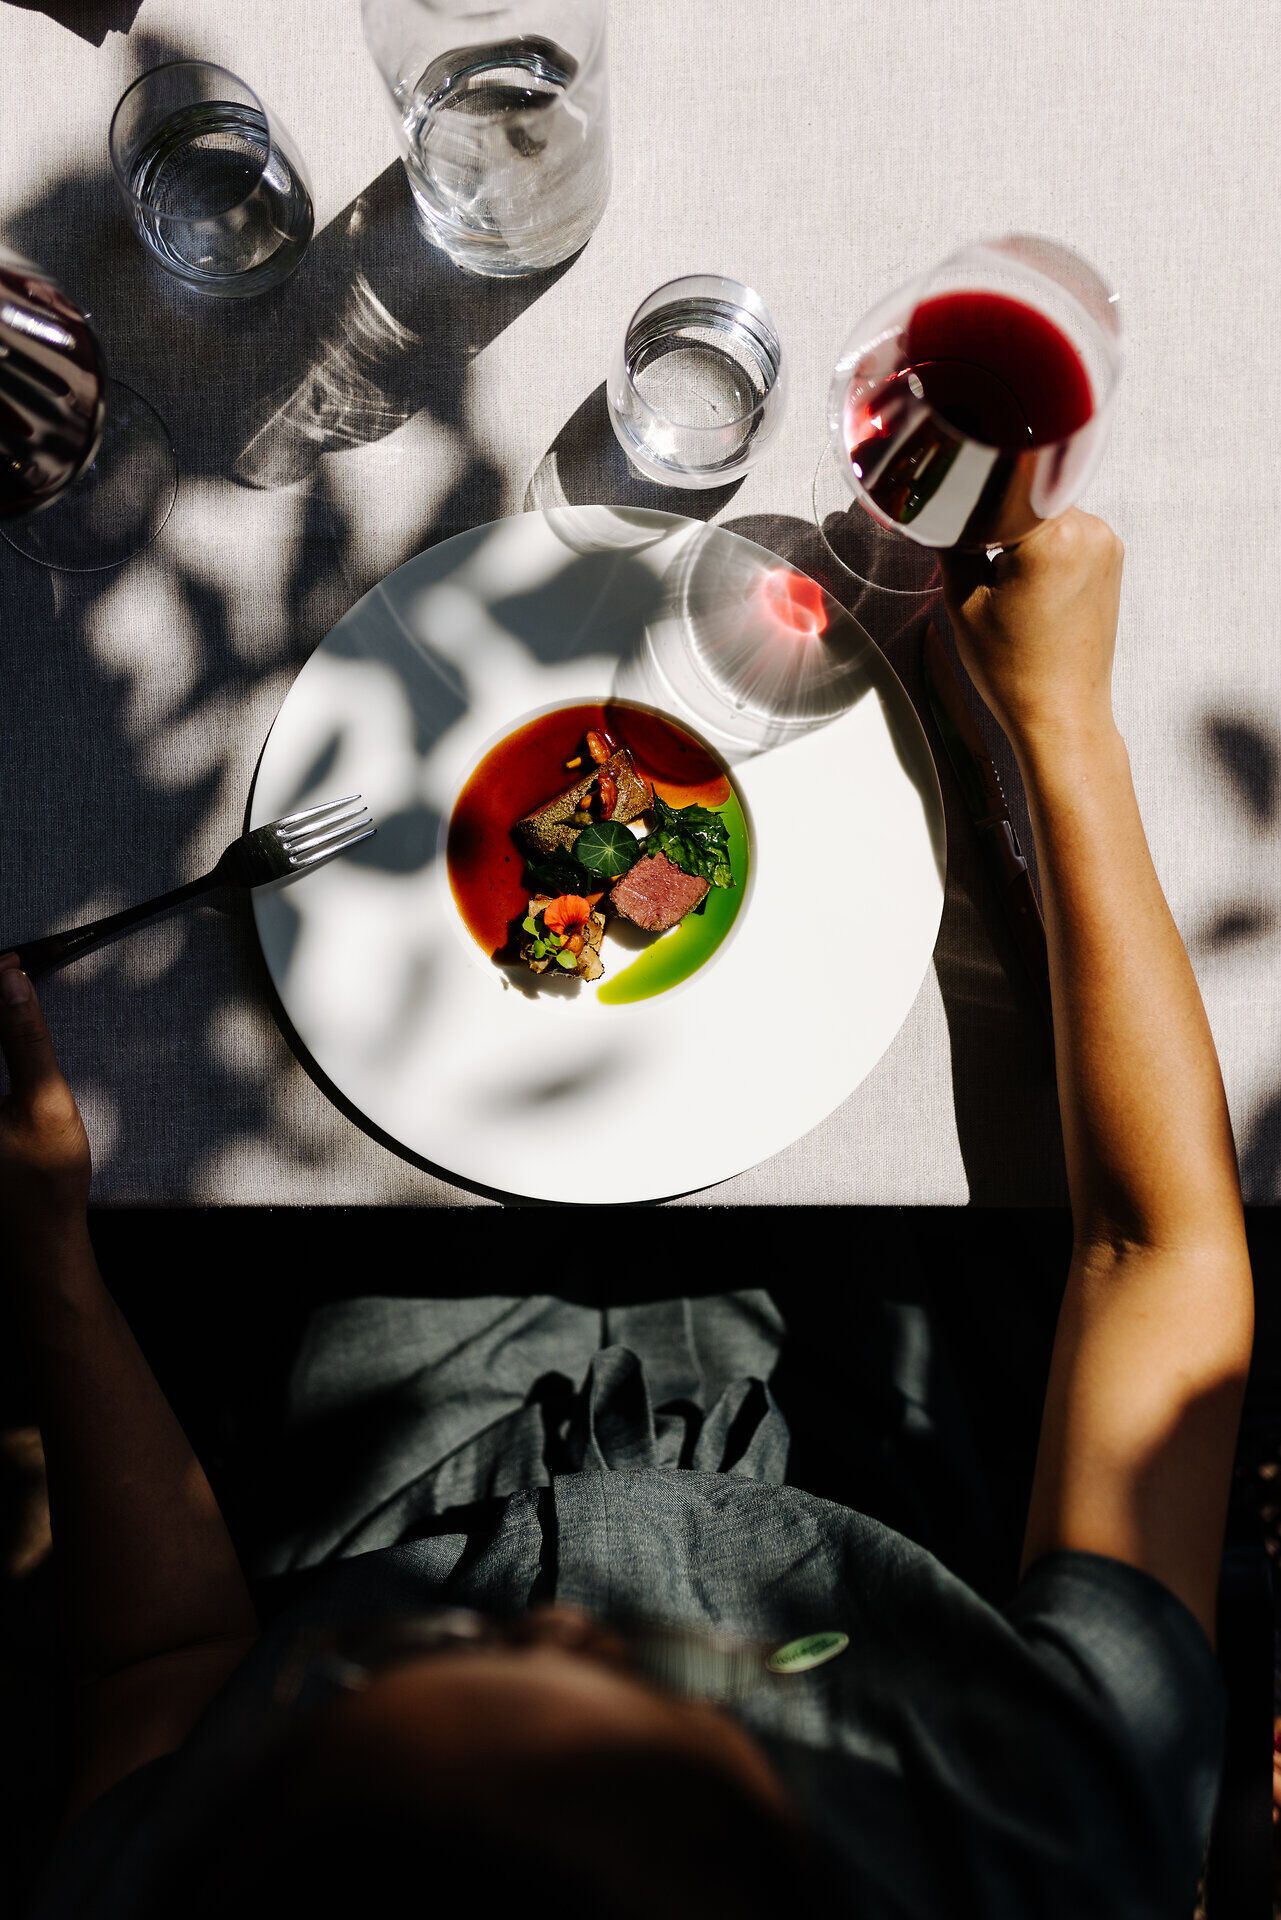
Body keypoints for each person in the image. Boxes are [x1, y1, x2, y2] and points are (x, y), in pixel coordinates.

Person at [0, 510, 1253, 1919]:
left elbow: (161, 1665)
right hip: (847, 1403)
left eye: (397, 1666)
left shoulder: (177, 1887)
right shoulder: (1057, 1838)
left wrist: (48, 1254)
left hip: (407, 1434)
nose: (563, 1614)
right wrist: (1063, 721)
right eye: (629, 1667)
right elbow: (1162, 1255)